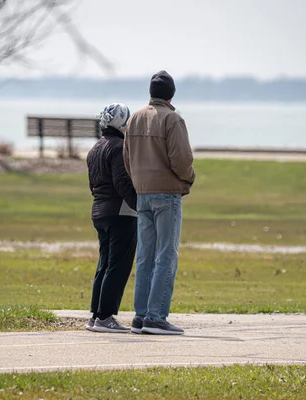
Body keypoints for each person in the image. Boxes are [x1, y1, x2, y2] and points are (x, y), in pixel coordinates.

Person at [124, 71, 195, 335]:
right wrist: (189, 178)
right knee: (166, 255)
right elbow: (182, 159)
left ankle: (140, 315)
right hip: (167, 193)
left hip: (142, 193)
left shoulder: (135, 117)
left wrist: (138, 182)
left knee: (144, 256)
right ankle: (156, 316)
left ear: (151, 92)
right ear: (171, 94)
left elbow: (127, 157)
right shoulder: (172, 119)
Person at [85, 103, 137, 333]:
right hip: (121, 212)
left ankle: (96, 315)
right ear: (122, 123)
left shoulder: (95, 148)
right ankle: (106, 317)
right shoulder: (119, 146)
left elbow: (92, 184)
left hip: (99, 211)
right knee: (118, 265)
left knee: (104, 263)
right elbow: (122, 183)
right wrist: (140, 205)